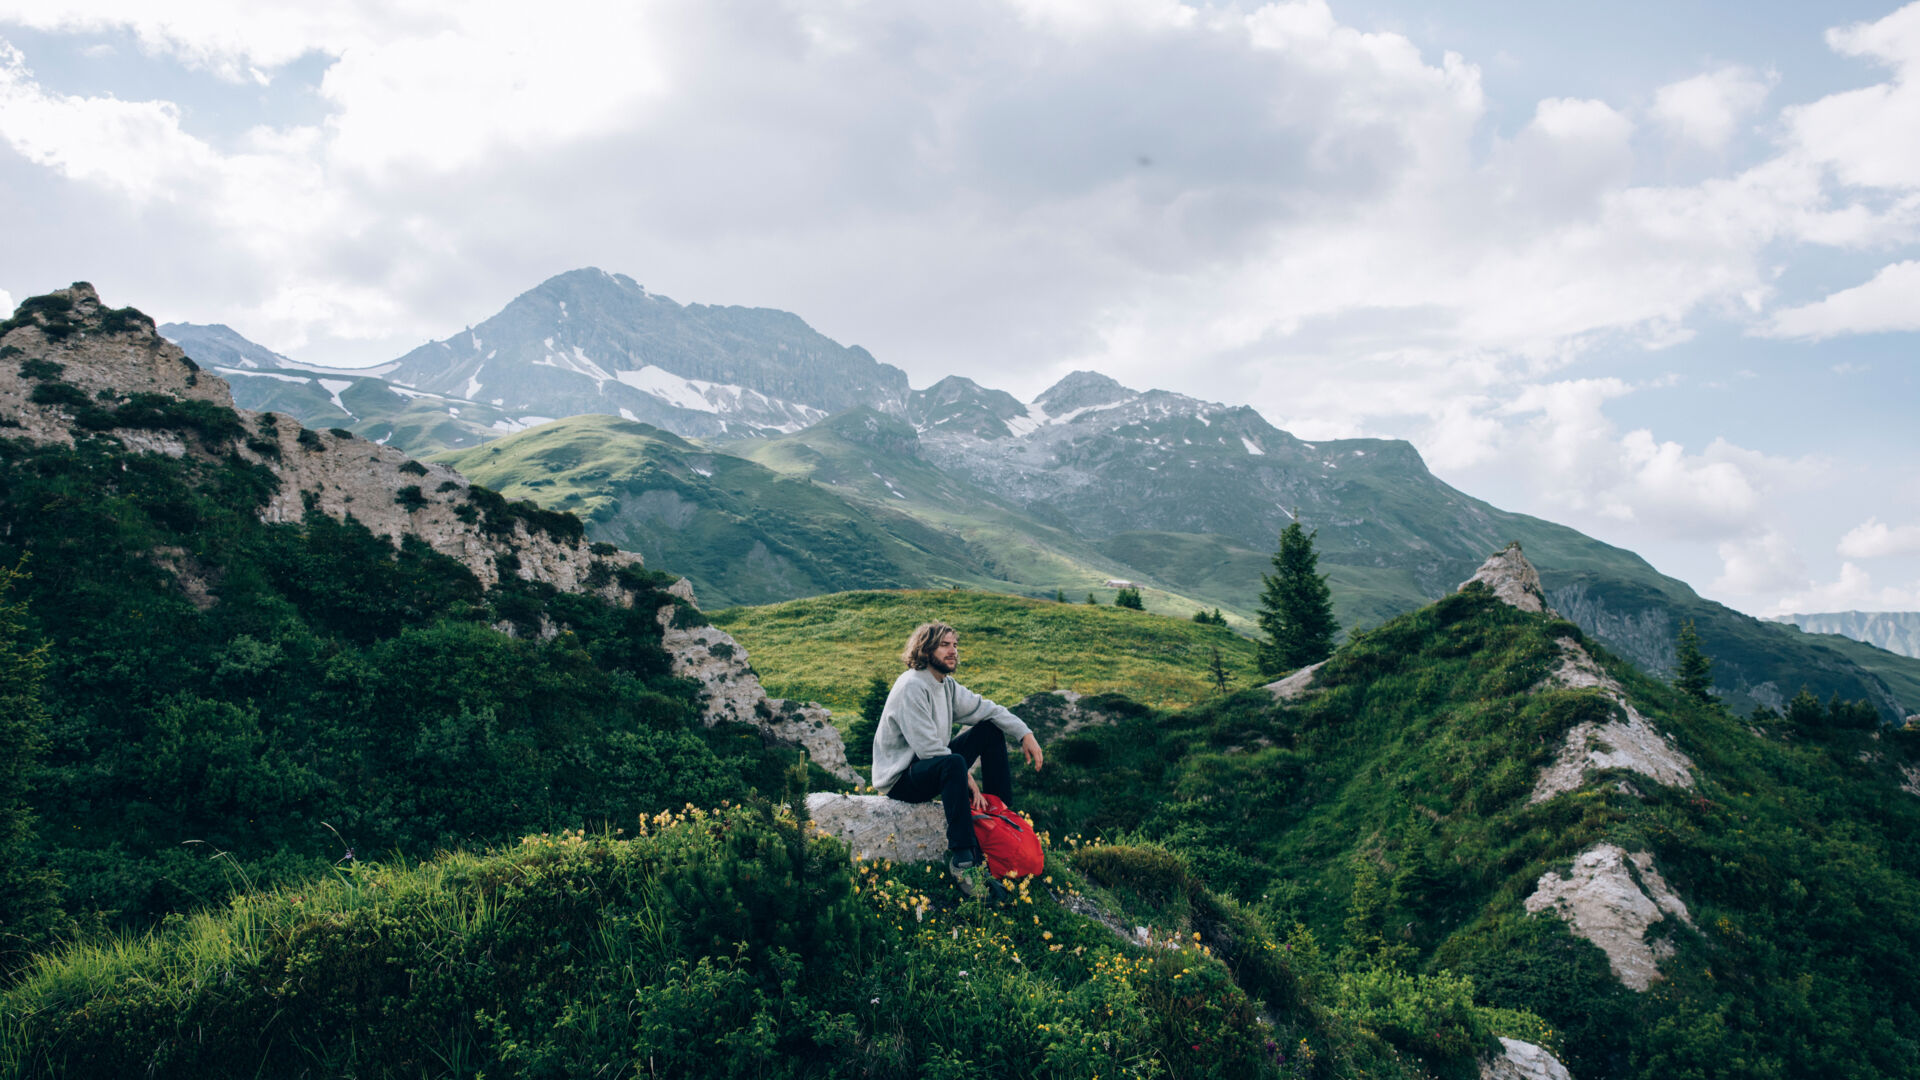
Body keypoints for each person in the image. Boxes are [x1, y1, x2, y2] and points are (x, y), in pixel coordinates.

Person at [871, 621, 1044, 895]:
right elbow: (929, 749)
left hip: (932, 765)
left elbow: (986, 709)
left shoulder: (945, 685)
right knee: (953, 763)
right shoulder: (912, 686)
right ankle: (963, 861)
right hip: (901, 779)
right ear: (926, 649)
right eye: (945, 645)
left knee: (989, 730)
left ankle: (1000, 821)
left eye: (955, 645)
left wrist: (1025, 733)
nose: (953, 651)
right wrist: (968, 779)